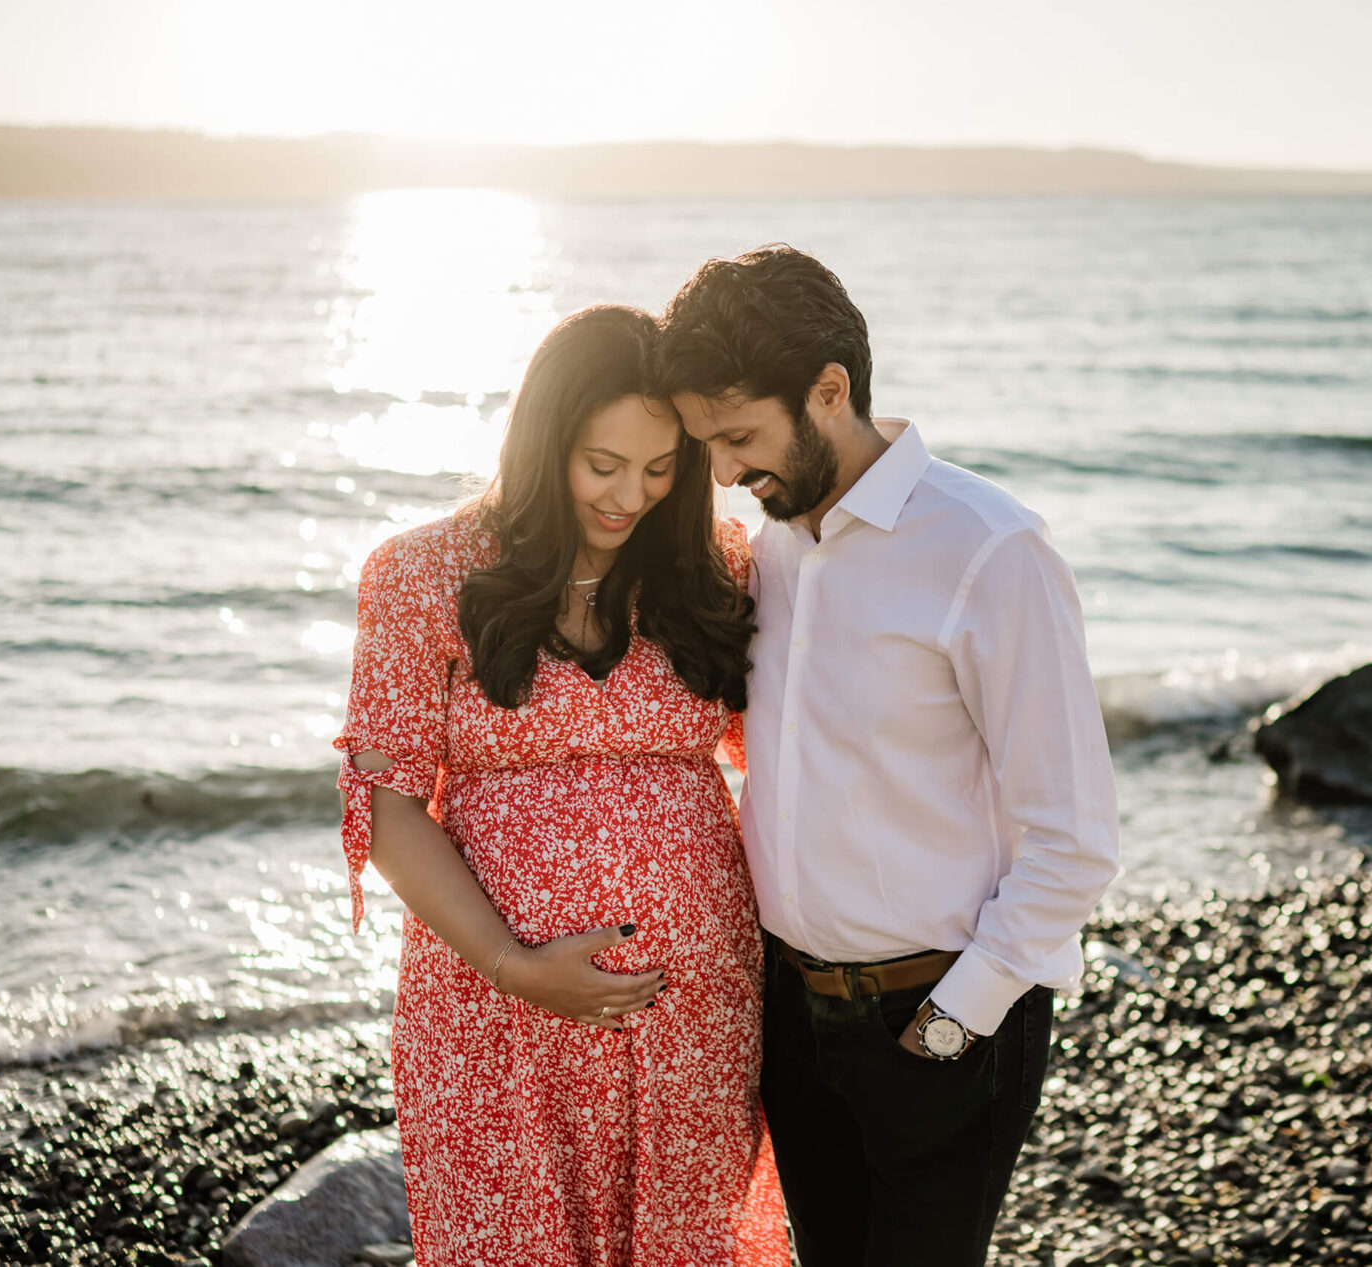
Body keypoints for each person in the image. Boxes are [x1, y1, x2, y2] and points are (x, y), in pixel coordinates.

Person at [658, 246, 1121, 1267]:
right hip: (789, 1018)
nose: (727, 473)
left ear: (829, 390)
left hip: (939, 1020)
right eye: (710, 447)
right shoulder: (775, 541)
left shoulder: (991, 551)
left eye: (738, 437)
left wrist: (956, 1021)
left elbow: (1075, 837)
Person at [334, 304, 787, 1267]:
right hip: (494, 1016)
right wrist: (512, 962)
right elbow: (388, 805)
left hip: (695, 1018)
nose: (631, 495)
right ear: (544, 444)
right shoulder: (422, 575)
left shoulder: (718, 567)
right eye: (602, 464)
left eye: (661, 468)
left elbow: (794, 762)